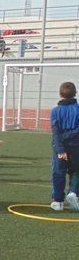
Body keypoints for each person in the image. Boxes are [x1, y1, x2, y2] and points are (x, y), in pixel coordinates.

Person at [51, 82, 79, 211]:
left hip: (59, 145)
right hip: (76, 145)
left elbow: (55, 131)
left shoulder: (55, 111)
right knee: (76, 171)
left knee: (58, 173)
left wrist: (60, 148)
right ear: (75, 93)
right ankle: (73, 192)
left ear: (60, 94)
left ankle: (58, 201)